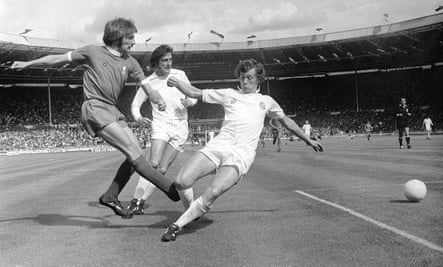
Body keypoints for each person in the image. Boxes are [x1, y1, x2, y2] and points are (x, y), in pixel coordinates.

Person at [10, 18, 180, 219]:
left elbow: (147, 87)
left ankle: (111, 195)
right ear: (118, 37)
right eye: (130, 38)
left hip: (113, 110)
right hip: (95, 108)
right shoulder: (92, 52)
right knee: (134, 152)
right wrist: (28, 63)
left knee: (136, 152)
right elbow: (56, 59)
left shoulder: (131, 62)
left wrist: (156, 98)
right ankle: (171, 189)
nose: (134, 42)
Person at [161, 59, 323, 242]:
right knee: (182, 182)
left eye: (249, 78)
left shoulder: (266, 101)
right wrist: (177, 82)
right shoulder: (228, 94)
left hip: (241, 155)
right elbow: (195, 92)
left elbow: (287, 121)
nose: (245, 82)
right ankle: (191, 211)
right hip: (219, 145)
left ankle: (176, 226)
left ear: (258, 80)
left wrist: (308, 139)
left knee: (213, 192)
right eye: (242, 78)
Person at [126, 44, 197, 215]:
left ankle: (140, 202)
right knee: (153, 163)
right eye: (164, 60)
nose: (168, 63)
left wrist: (190, 102)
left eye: (170, 59)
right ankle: (136, 200)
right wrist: (138, 117)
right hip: (160, 125)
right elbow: (135, 105)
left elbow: (193, 95)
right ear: (156, 63)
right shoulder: (149, 82)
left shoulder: (179, 75)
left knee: (162, 169)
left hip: (180, 126)